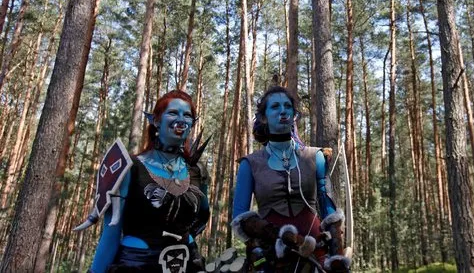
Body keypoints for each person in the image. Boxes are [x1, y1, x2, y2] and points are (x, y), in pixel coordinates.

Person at [76, 90, 210, 273]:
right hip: (137, 265)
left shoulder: (197, 170)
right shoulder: (129, 167)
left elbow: (203, 216)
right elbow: (111, 234)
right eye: (173, 113)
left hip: (187, 263)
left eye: (187, 115)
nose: (181, 119)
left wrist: (185, 241)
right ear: (156, 121)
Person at [231, 86, 351, 272]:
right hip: (271, 253)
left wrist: (336, 254)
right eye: (275, 106)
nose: (283, 110)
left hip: (315, 250)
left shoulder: (316, 156)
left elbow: (328, 208)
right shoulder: (250, 164)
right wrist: (280, 237)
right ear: (263, 117)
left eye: (288, 106)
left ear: (294, 115)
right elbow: (240, 218)